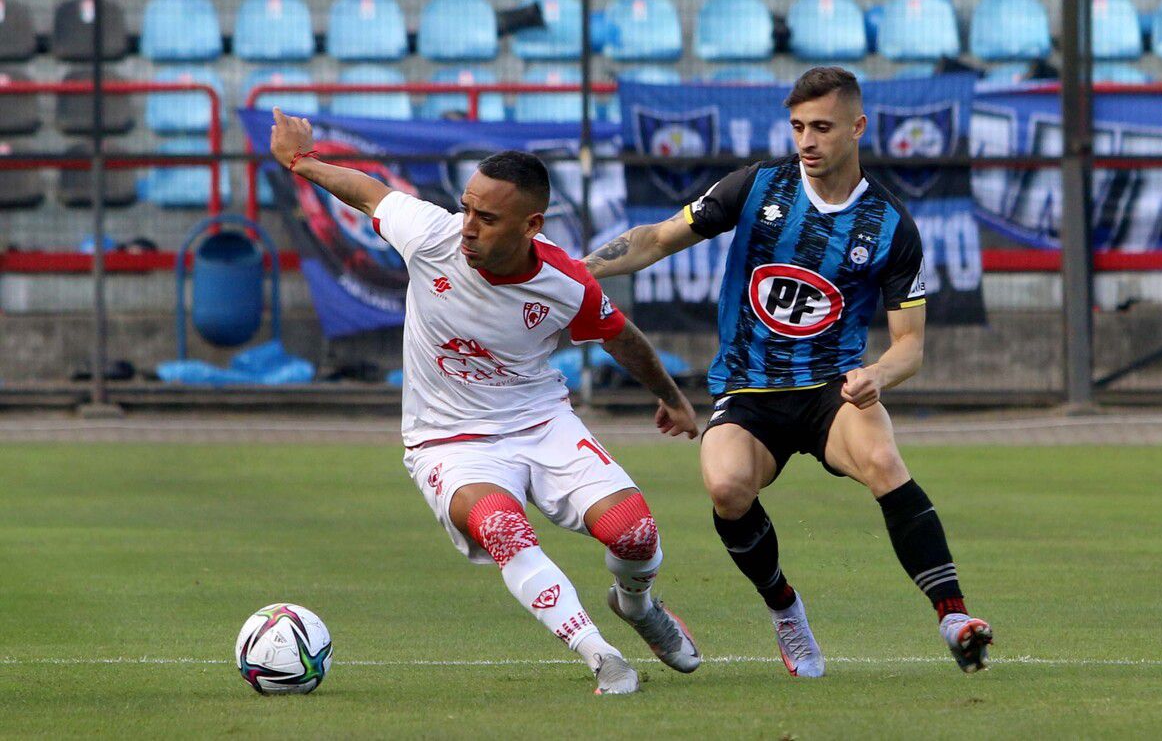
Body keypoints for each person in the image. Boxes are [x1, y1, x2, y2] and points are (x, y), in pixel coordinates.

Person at [269, 108, 702, 695]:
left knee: (634, 534)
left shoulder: (566, 283)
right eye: (467, 207)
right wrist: (301, 161)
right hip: (447, 441)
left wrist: (673, 399)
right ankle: (600, 655)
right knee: (503, 526)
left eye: (487, 217)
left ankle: (638, 605)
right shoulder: (432, 235)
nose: (468, 225)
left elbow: (621, 337)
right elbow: (369, 192)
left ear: (532, 225)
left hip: (540, 423)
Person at [584, 67, 993, 676]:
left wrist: (880, 374)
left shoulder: (889, 224)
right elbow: (658, 239)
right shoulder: (756, 188)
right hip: (749, 389)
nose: (807, 140)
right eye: (798, 126)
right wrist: (577, 270)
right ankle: (786, 611)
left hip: (832, 389)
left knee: (885, 462)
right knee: (725, 488)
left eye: (822, 127)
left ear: (857, 128)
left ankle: (954, 615)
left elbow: (910, 345)